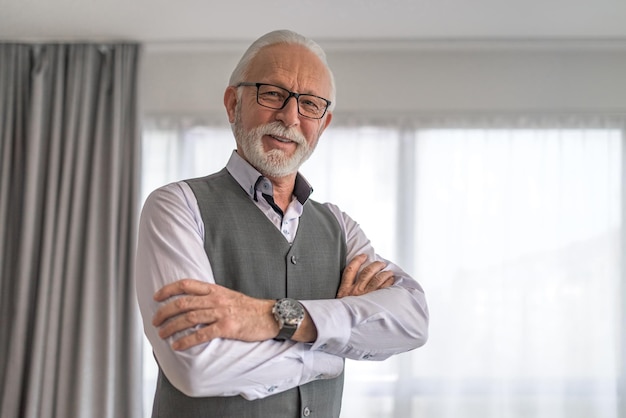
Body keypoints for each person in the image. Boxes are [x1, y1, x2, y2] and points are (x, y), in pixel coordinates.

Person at [135, 29, 429, 418]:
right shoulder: (177, 207)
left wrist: (271, 318)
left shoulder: (339, 227)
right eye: (272, 93)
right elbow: (196, 366)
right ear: (232, 104)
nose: (290, 116)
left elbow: (411, 321)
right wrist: (330, 352)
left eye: (309, 104)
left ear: (322, 125)